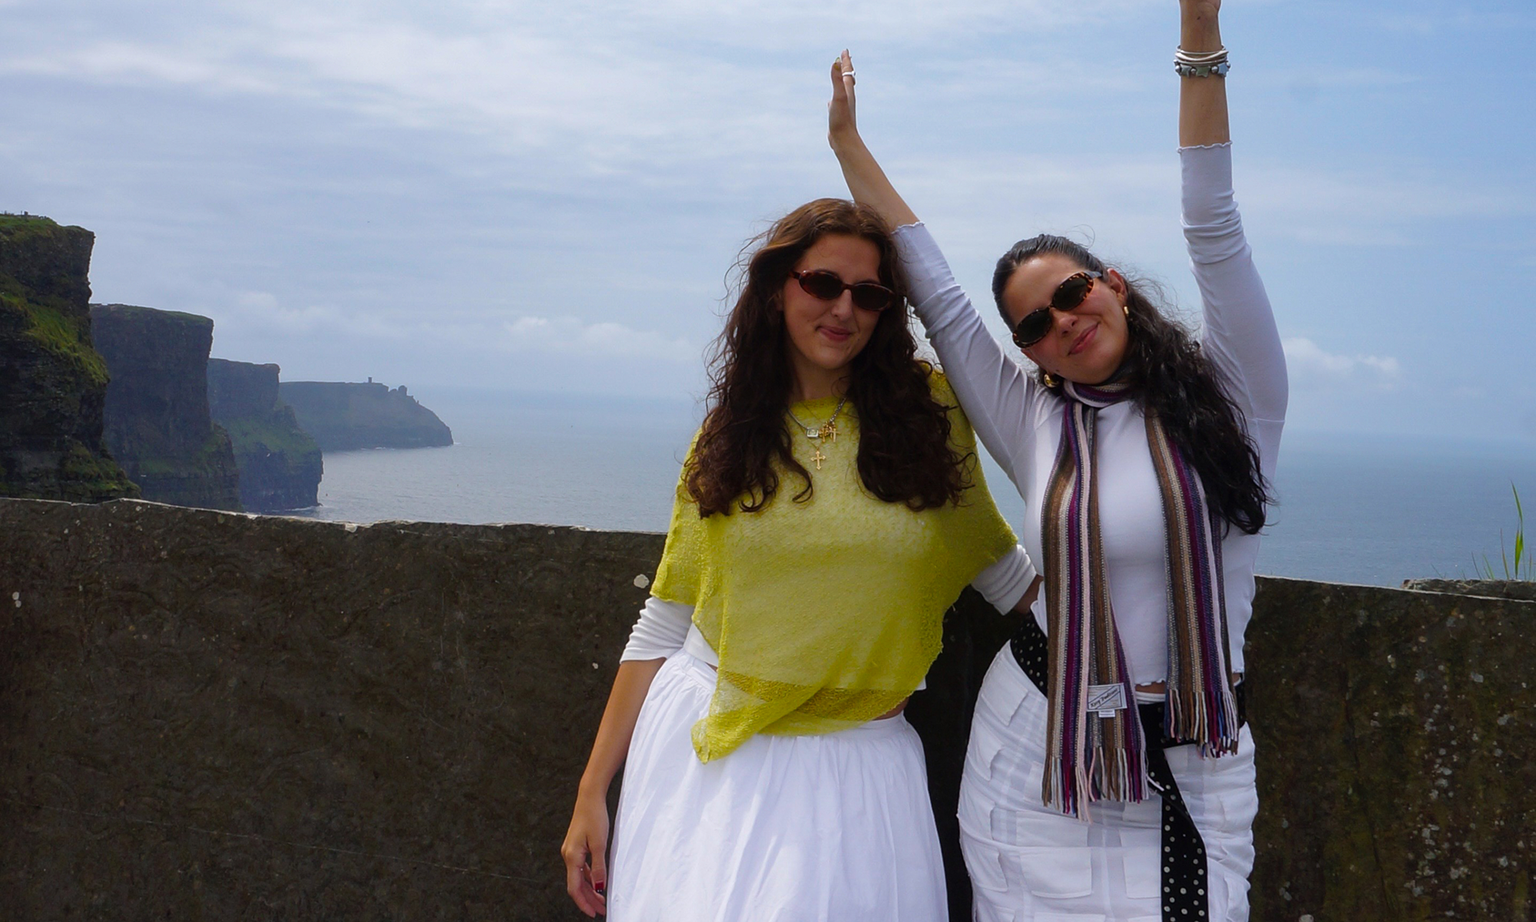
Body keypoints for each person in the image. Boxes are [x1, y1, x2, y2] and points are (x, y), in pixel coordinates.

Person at [826, 1, 1286, 919]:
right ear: (1027, 352)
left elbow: (1214, 224)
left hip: (1195, 756)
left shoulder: (1236, 396)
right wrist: (848, 146)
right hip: (1039, 749)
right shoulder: (1034, 421)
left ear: (1111, 283)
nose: (1062, 323)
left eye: (1072, 293)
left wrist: (1199, 37)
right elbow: (938, 294)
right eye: (1033, 325)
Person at [560, 198, 1041, 920]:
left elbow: (1002, 571)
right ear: (779, 287)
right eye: (823, 284)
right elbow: (664, 621)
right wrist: (592, 793)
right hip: (712, 755)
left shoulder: (929, 415)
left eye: (870, 294)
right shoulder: (730, 434)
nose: (844, 308)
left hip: (862, 770)